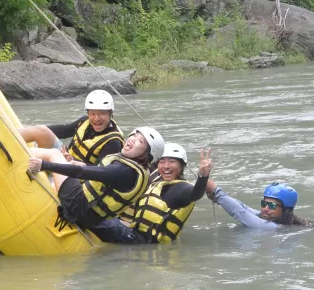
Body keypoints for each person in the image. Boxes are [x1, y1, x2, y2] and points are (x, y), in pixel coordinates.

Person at [27, 127, 164, 230]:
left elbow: (81, 172)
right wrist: (78, 163)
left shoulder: (124, 171)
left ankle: (20, 153)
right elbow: (98, 174)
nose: (133, 139)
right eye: (134, 135)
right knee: (64, 163)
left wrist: (43, 164)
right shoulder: (134, 170)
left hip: (77, 207)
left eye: (139, 141)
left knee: (55, 154)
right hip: (87, 214)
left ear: (146, 154)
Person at [90, 145, 212, 244]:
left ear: (182, 166)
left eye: (172, 161)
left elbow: (196, 194)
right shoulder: (157, 184)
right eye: (162, 162)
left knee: (90, 216)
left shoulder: (181, 189)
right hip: (134, 233)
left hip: (143, 240)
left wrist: (203, 177)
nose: (166, 166)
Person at [19, 89, 123, 165]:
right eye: (92, 113)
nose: (96, 119)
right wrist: (30, 128)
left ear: (110, 113)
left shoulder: (113, 142)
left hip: (77, 174)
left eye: (102, 113)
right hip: (65, 158)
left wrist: (72, 162)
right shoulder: (85, 121)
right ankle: (7, 136)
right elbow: (64, 130)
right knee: (41, 130)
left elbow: (100, 171)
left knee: (54, 154)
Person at [205, 180, 311, 228]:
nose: (265, 208)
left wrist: (216, 192)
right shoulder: (269, 219)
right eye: (264, 203)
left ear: (286, 210)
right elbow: (244, 208)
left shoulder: (272, 227)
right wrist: (216, 197)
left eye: (272, 205)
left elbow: (239, 213)